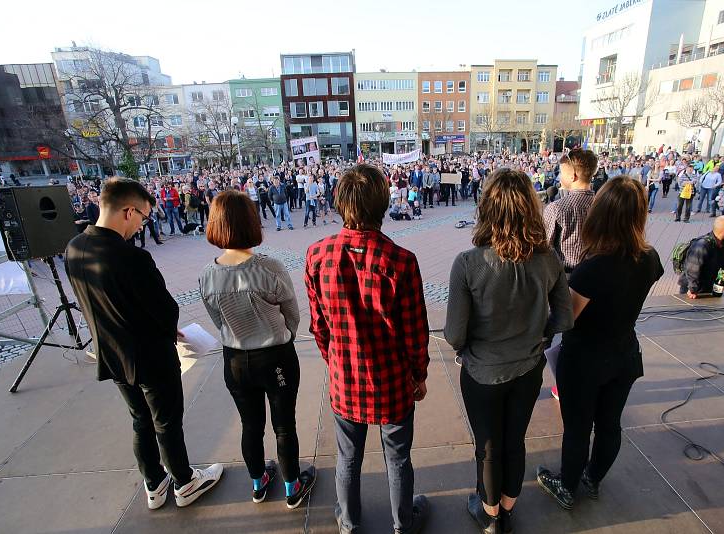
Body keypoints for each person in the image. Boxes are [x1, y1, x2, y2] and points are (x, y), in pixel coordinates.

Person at [65, 179, 223, 511]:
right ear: (127, 210)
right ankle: (185, 481)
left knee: (140, 419)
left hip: (112, 353)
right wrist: (168, 327)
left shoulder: (75, 247)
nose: (142, 224)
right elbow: (165, 309)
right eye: (143, 216)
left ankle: (154, 482)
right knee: (166, 421)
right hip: (151, 356)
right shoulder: (132, 257)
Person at [445, 169, 573, 534]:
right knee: (514, 440)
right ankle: (507, 508)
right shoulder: (548, 259)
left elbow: (454, 333)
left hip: (482, 372)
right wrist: (539, 335)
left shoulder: (469, 263)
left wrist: (469, 347)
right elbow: (563, 318)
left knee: (487, 447)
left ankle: (490, 516)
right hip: (528, 368)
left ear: (487, 209)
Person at [305, 164, 431, 534]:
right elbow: (415, 332)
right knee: (398, 458)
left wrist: (335, 361)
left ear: (340, 202)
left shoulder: (317, 255)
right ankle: (402, 523)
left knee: (347, 457)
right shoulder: (401, 260)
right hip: (392, 381)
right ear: (383, 203)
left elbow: (319, 325)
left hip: (345, 379)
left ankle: (349, 522)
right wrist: (418, 376)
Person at [536, 177, 664, 510]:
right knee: (609, 424)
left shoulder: (593, 268)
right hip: (623, 354)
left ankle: (567, 486)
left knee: (577, 428)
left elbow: (567, 319)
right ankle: (592, 479)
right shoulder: (649, 258)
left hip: (585, 360)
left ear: (601, 214)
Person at [199, 191, 316, 508]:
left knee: (250, 424)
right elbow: (291, 312)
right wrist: (286, 334)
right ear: (253, 223)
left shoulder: (207, 275)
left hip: (235, 359)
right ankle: (292, 486)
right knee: (283, 425)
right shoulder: (270, 268)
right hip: (275, 357)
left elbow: (217, 319)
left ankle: (258, 482)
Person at [544, 148, 597, 402]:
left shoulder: (557, 208)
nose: (558, 174)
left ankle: (561, 384)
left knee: (555, 331)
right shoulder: (602, 204)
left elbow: (542, 248)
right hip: (599, 279)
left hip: (565, 280)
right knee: (587, 334)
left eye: (561, 171)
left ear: (574, 174)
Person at [678, 216, 724, 298]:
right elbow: (692, 269)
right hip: (691, 287)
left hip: (709, 284)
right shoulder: (702, 245)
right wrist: (693, 289)